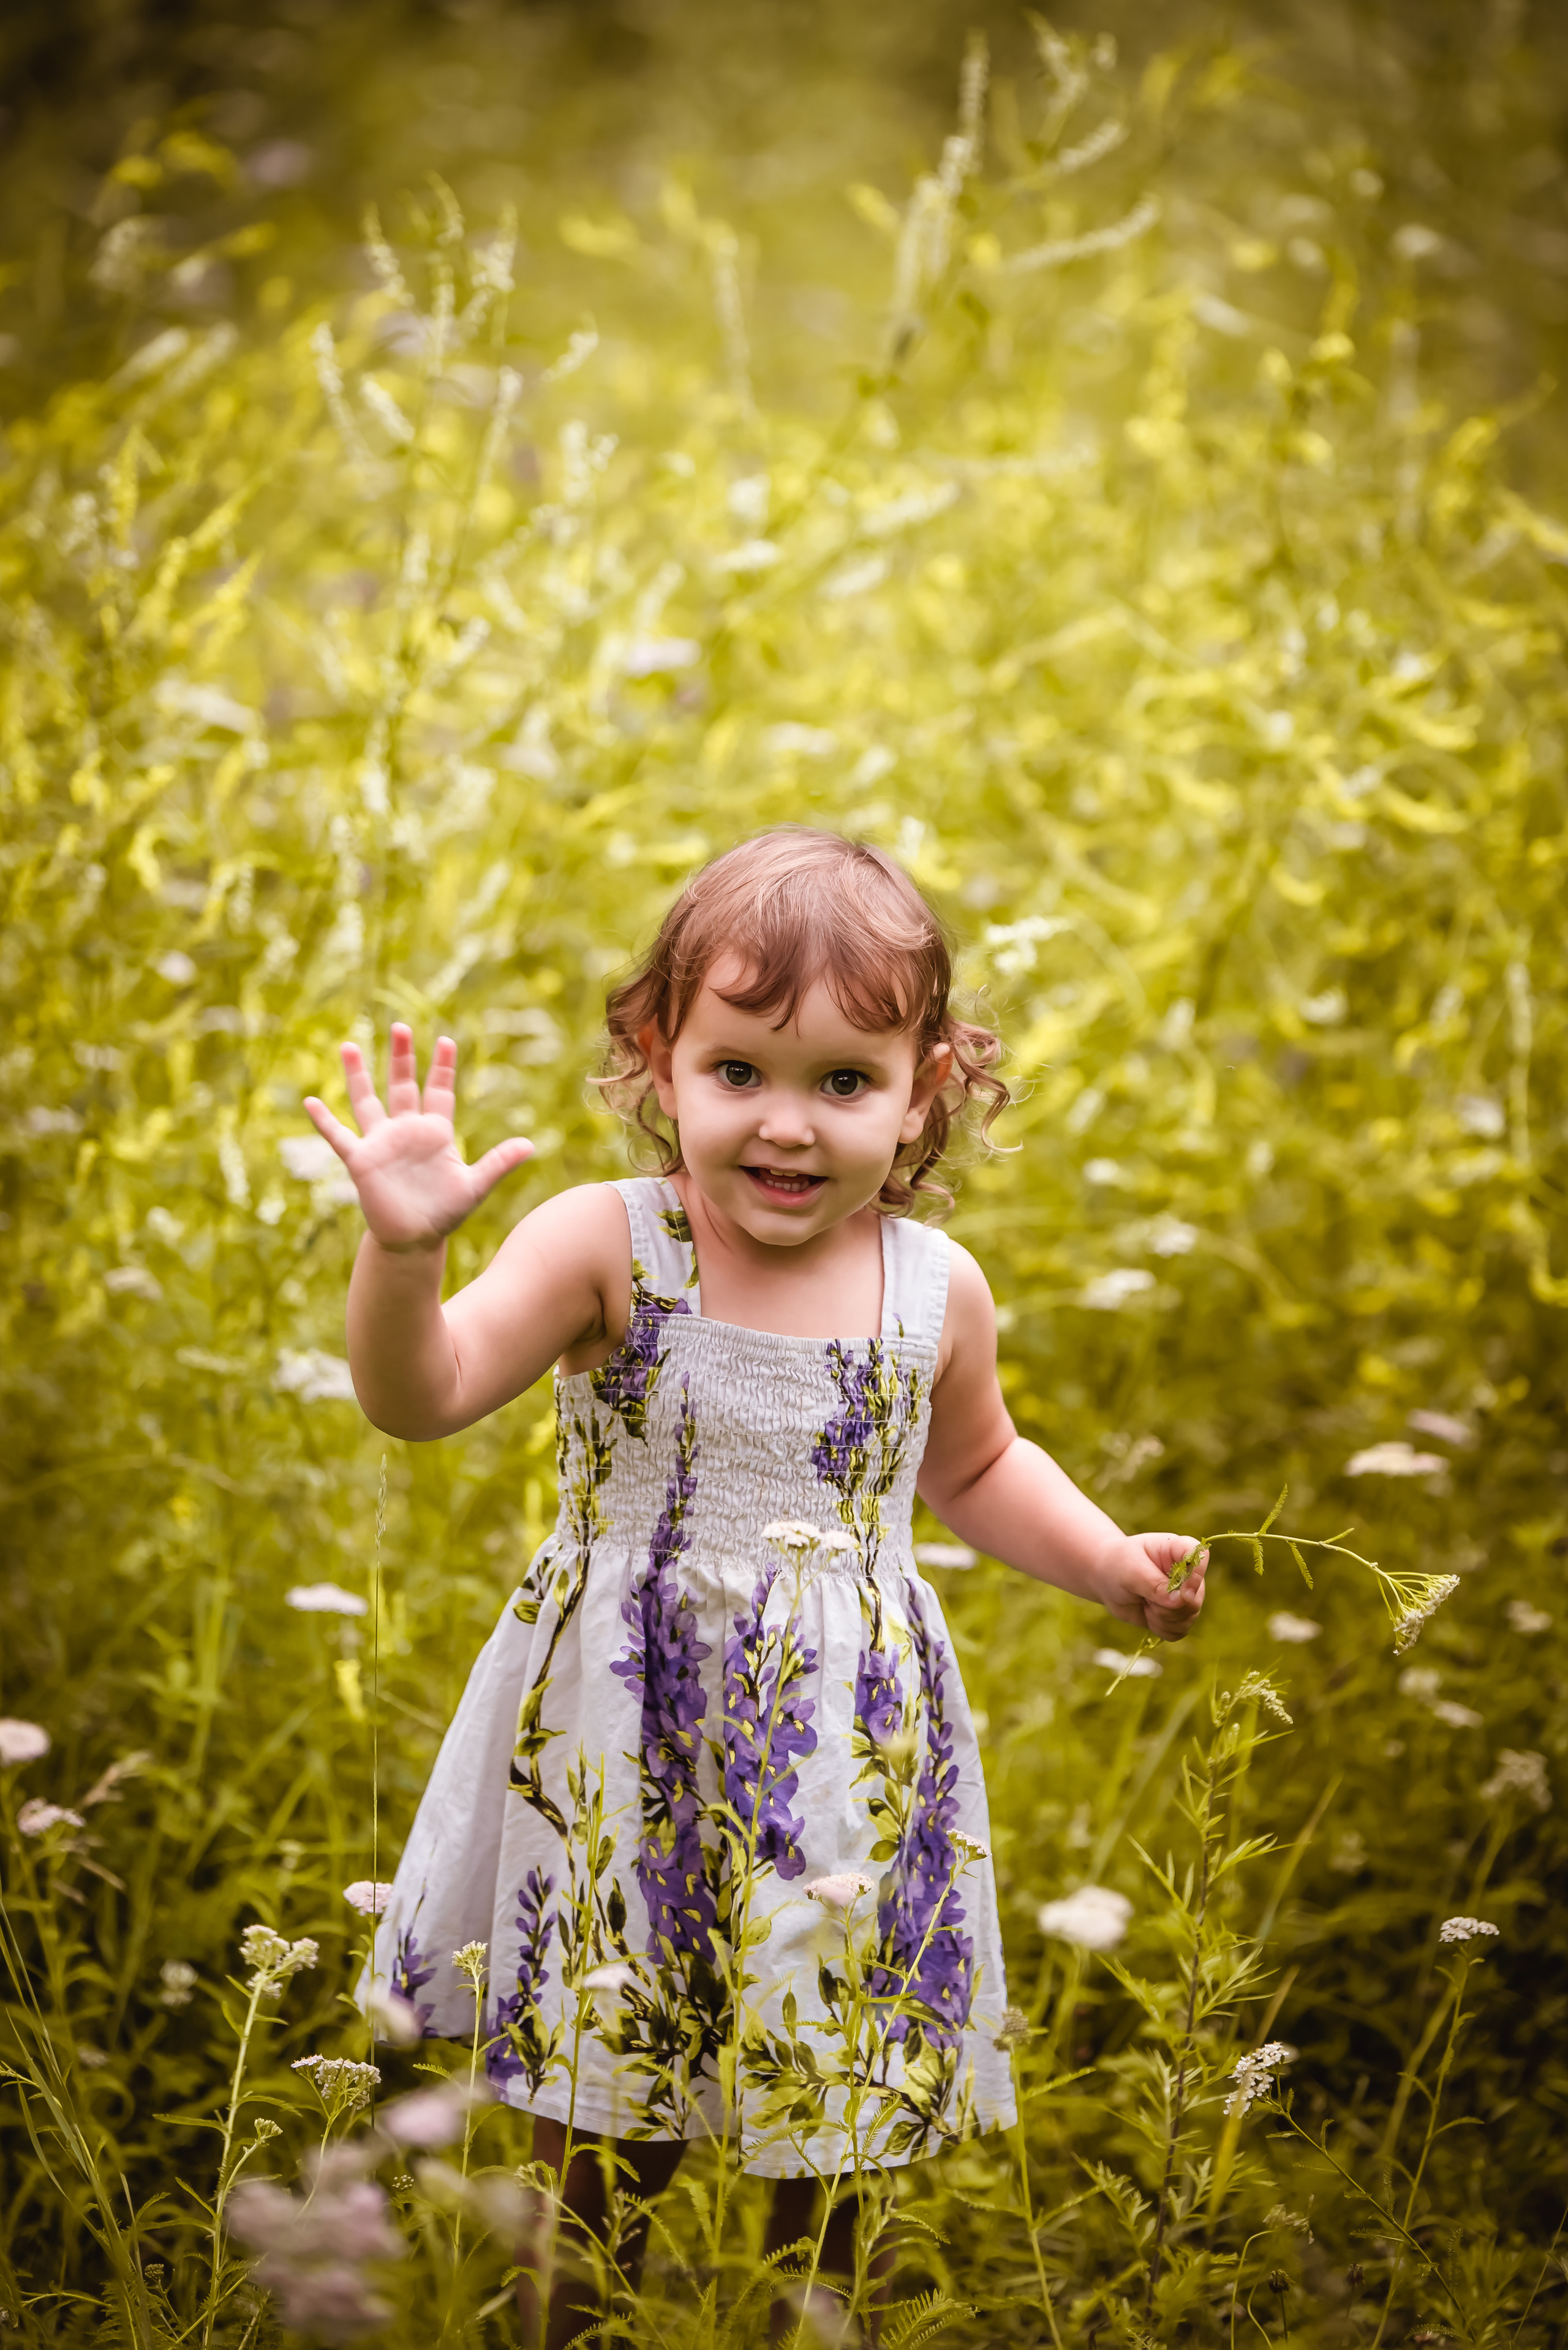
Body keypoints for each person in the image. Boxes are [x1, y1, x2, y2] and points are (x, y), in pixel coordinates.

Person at [304, 828, 1208, 2344]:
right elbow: (422, 1393)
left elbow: (977, 1465)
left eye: (843, 1081)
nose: (786, 1125)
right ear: (658, 1058)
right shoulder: (608, 1243)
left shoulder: (931, 1288)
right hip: (625, 1747)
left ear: (922, 1088)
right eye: (739, 1070)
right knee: (603, 2128)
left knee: (836, 2119)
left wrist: (1106, 1558)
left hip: (839, 1764)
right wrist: (402, 1257)